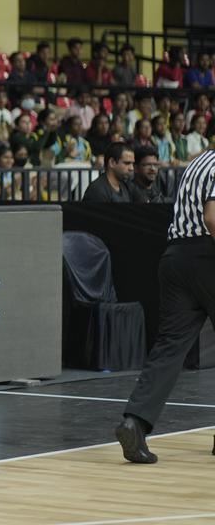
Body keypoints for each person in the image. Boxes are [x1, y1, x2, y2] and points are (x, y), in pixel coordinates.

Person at [115, 139, 215, 464]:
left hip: (175, 257)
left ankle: (135, 421)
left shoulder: (198, 163)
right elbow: (213, 217)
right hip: (207, 254)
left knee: (170, 347)